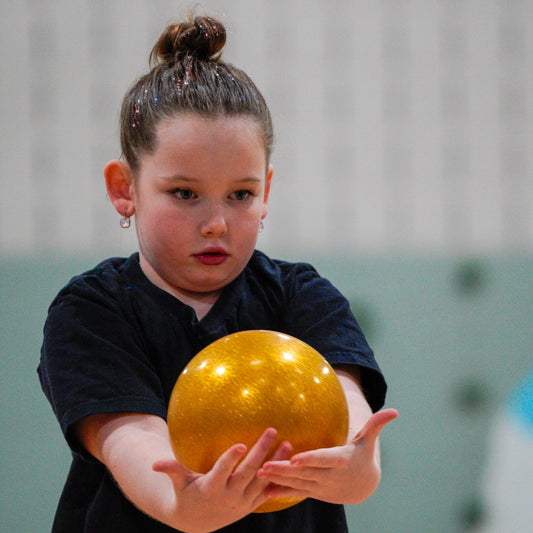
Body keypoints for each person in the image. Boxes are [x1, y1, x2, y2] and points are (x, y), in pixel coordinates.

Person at [38, 13, 398, 533]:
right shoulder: (90, 311)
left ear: (266, 190)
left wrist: (357, 464)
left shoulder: (304, 296)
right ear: (125, 188)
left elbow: (346, 406)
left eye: (241, 195)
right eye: (184, 193)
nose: (215, 224)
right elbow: (131, 440)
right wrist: (185, 501)